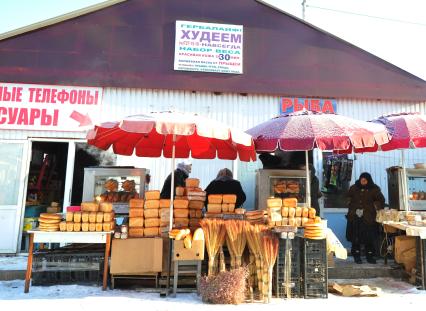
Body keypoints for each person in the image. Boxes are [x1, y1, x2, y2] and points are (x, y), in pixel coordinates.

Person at [346, 172, 385, 264]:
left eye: (365, 180)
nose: (363, 181)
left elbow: (381, 200)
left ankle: (370, 256)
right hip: (355, 217)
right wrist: (349, 203)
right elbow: (347, 197)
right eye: (361, 179)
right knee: (356, 238)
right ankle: (356, 256)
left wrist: (376, 206)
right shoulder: (354, 188)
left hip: (369, 218)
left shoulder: (374, 189)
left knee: (369, 238)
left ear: (368, 180)